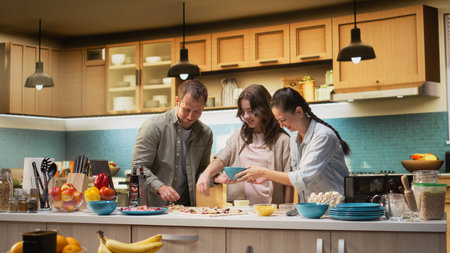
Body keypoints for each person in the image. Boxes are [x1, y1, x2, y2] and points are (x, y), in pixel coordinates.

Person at [236, 87, 350, 196]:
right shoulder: (294, 138)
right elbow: (295, 176)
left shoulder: (323, 136)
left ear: (299, 112)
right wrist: (267, 177)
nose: (281, 125)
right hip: (312, 209)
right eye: (278, 121)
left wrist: (263, 172)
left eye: (283, 120)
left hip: (335, 209)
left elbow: (301, 178)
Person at [197, 84, 293, 205]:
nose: (246, 116)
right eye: (243, 112)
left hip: (272, 211)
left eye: (251, 111)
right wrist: (206, 174)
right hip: (242, 210)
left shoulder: (283, 141)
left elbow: (289, 182)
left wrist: (287, 212)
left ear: (264, 108)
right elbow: (222, 159)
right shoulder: (239, 136)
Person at [131, 79, 213, 207]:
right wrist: (160, 187)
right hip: (153, 208)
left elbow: (202, 169)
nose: (190, 116)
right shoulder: (153, 127)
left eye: (197, 111)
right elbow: (138, 168)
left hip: (187, 207)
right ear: (177, 102)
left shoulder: (206, 133)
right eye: (186, 109)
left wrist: (213, 177)